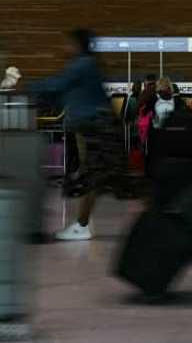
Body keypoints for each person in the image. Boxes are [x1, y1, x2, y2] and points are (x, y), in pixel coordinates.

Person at [31, 29, 125, 242]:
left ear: (77, 45)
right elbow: (63, 94)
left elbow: (57, 85)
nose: (64, 48)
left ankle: (82, 225)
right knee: (99, 176)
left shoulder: (83, 64)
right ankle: (82, 224)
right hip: (96, 126)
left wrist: (26, 87)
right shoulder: (86, 65)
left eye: (68, 43)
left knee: (100, 176)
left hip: (98, 126)